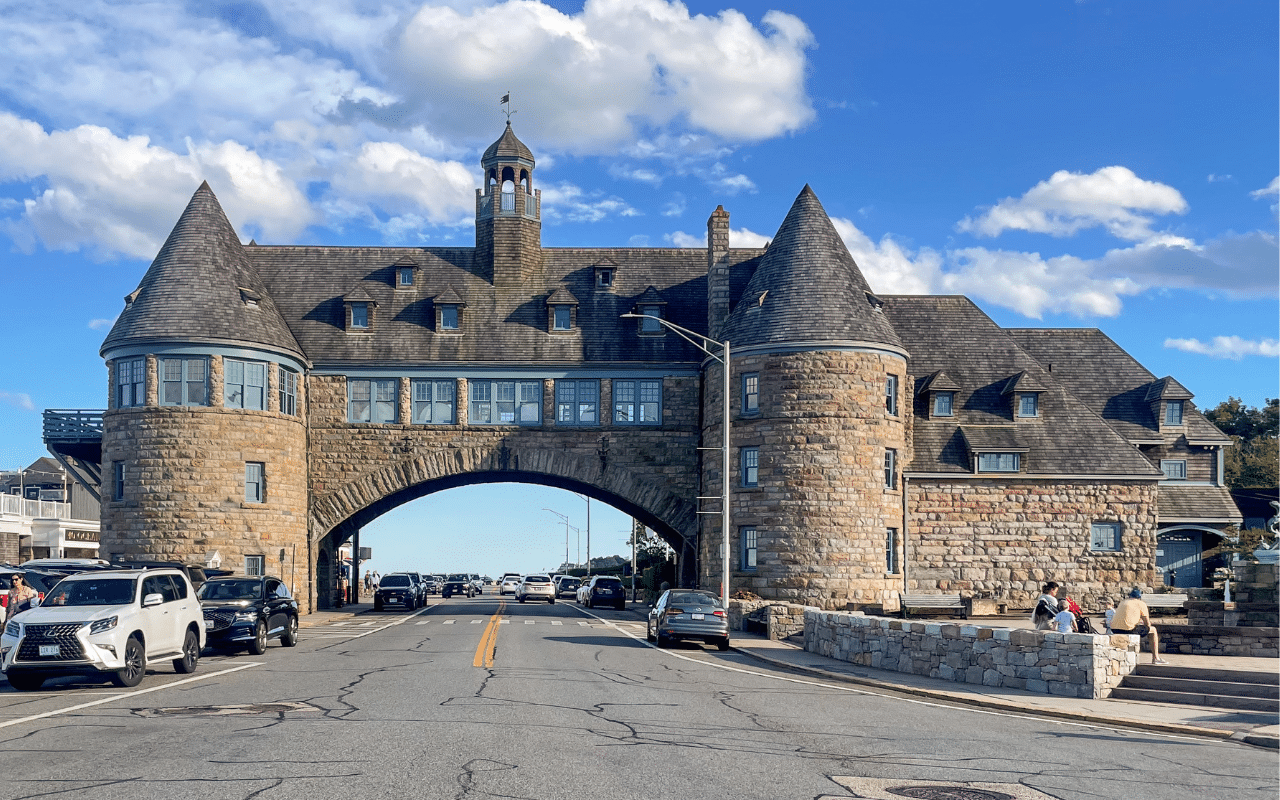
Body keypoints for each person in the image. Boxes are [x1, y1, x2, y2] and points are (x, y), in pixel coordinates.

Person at [1111, 588, 1168, 664]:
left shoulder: (1123, 602)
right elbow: (1147, 623)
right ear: (1140, 597)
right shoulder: (1141, 604)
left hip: (1114, 629)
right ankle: (1156, 658)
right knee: (1153, 630)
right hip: (1128, 629)